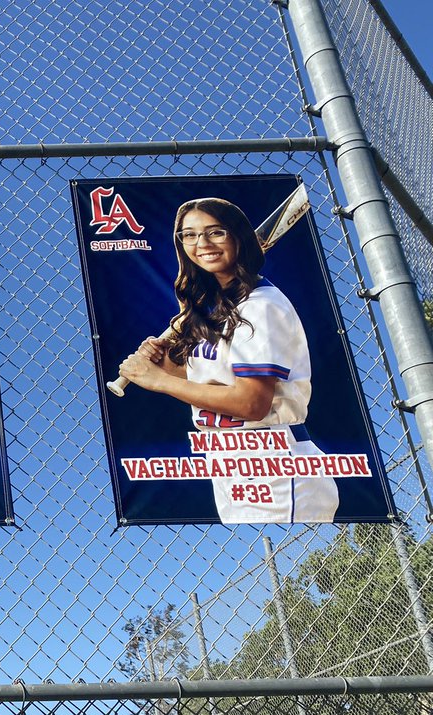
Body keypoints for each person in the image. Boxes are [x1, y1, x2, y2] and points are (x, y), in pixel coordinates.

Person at [117, 196, 338, 524]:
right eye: (190, 235)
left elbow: (251, 403)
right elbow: (215, 381)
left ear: (238, 237)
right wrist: (165, 367)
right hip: (229, 463)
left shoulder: (260, 306)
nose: (202, 243)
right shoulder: (218, 311)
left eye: (215, 232)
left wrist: (159, 381)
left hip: (274, 464)